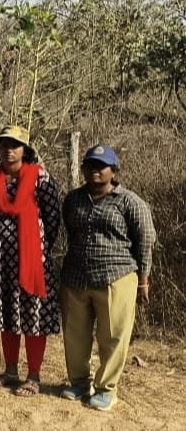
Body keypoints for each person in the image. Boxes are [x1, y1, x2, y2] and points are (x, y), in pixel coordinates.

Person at [59, 144, 155, 411]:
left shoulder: (130, 202)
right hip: (76, 276)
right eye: (89, 166)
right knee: (75, 334)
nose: (94, 172)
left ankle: (106, 388)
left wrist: (144, 279)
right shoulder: (73, 199)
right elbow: (70, 230)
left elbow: (145, 240)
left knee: (112, 334)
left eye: (101, 167)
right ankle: (79, 382)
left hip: (117, 275)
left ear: (114, 171)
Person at [0, 127, 62, 397]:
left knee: (33, 315)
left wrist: (36, 247)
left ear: (25, 150)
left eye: (15, 145)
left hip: (32, 261)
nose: (9, 150)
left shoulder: (40, 178)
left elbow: (52, 219)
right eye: (4, 145)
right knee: (7, 312)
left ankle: (33, 376)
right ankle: (10, 371)